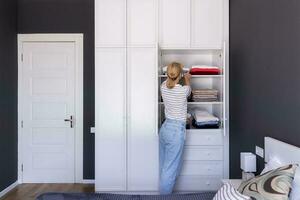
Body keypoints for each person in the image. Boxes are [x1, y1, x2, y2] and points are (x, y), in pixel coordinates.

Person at [159, 62, 191, 194]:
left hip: (165, 128)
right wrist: (187, 79)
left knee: (165, 167)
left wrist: (181, 77)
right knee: (170, 170)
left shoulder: (162, 87)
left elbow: (171, 83)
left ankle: (164, 193)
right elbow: (188, 90)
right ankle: (164, 197)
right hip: (176, 131)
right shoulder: (184, 90)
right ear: (181, 75)